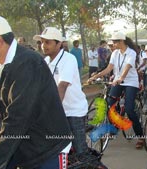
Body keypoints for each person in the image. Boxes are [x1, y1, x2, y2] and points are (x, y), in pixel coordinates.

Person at [0, 14, 72, 169]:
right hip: (22, 148)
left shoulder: (27, 64)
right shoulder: (0, 64)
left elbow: (17, 119)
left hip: (46, 150)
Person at [33, 27, 107, 169]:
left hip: (73, 111)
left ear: (59, 43)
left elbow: (62, 86)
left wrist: (52, 113)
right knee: (58, 150)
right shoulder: (46, 61)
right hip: (58, 111)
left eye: (47, 42)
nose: (43, 45)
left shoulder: (68, 59)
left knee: (81, 152)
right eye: (42, 42)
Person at [88, 32, 144, 149]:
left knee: (129, 109)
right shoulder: (115, 53)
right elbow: (109, 68)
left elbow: (128, 67)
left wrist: (121, 78)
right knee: (109, 105)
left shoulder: (131, 53)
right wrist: (95, 76)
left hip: (130, 82)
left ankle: (141, 136)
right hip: (117, 81)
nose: (112, 44)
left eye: (114, 42)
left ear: (121, 41)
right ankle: (115, 126)